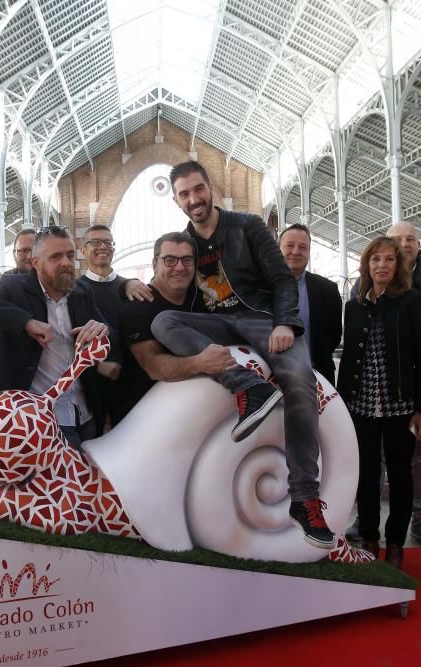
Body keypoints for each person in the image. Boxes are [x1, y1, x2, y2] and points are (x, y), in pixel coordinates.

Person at [151, 161, 332, 548]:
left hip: (261, 318)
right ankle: (249, 387)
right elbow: (167, 273)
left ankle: (304, 497)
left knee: (300, 382)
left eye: (198, 189)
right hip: (217, 323)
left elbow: (283, 278)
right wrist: (134, 283)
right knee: (163, 322)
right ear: (177, 199)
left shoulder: (246, 226)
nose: (193, 199)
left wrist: (285, 322)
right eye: (184, 194)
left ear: (209, 186)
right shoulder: (185, 242)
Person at [0, 225, 110, 448]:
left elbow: (106, 330)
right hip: (38, 421)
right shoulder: (13, 288)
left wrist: (102, 328)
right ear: (35, 262)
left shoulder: (82, 293)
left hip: (85, 414)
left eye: (70, 255)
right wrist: (25, 322)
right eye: (56, 257)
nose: (66, 262)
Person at [345, 220, 421, 551]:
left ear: (398, 264)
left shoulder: (412, 301)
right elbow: (349, 359)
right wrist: (342, 404)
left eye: (389, 259)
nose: (382, 265)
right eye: (375, 259)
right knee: (367, 476)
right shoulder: (355, 305)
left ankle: (396, 544)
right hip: (362, 407)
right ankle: (370, 537)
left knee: (402, 476)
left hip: (400, 407)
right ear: (366, 265)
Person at [116, 231, 236, 418]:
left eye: (187, 260)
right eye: (170, 260)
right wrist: (200, 363)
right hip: (146, 420)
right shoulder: (137, 306)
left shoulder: (202, 298)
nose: (180, 267)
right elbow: (152, 366)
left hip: (199, 412)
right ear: (155, 264)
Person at [278, 224, 342, 383]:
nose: (296, 251)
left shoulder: (328, 289)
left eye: (303, 247)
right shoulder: (259, 287)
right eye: (290, 245)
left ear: (309, 252)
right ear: (278, 249)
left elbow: (334, 335)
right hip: (272, 379)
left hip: (317, 377)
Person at [78, 224, 125, 431]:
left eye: (107, 242)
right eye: (95, 242)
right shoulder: (74, 291)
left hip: (127, 382)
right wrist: (98, 365)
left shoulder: (128, 287)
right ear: (83, 250)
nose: (102, 247)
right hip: (89, 386)